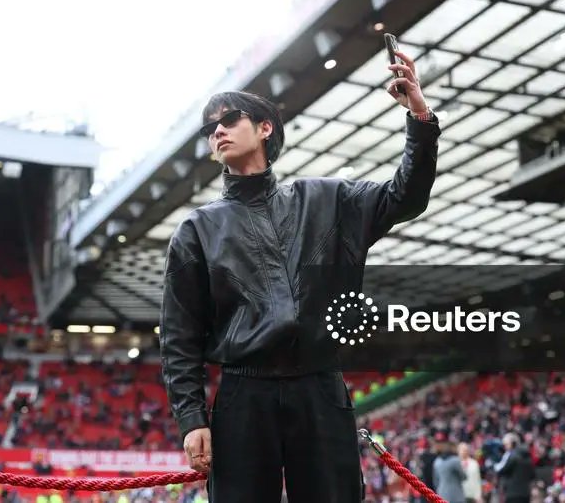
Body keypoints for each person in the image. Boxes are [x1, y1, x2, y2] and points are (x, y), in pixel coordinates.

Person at [159, 46, 440, 502]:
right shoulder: (197, 229)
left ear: (265, 127)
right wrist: (192, 419)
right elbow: (178, 335)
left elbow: (405, 197)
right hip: (243, 396)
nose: (218, 133)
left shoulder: (328, 199)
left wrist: (419, 115)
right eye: (211, 129)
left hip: (320, 388)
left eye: (228, 120)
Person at [494, 433, 535, 503]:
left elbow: (502, 470)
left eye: (506, 445)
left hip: (513, 494)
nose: (505, 447)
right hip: (526, 494)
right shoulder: (527, 456)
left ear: (513, 443)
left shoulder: (512, 456)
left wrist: (495, 464)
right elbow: (532, 475)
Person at [433, 434, 467, 503]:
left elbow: (435, 482)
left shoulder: (437, 461)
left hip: (441, 494)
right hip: (457, 496)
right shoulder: (455, 460)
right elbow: (464, 477)